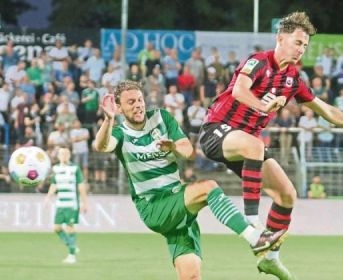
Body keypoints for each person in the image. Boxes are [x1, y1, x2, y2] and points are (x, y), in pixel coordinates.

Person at [199, 11, 343, 279]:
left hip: (246, 145)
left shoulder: (293, 80)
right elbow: (240, 91)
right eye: (297, 42)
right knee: (254, 143)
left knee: (287, 194)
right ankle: (254, 229)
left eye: (305, 46)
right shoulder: (258, 61)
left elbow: (328, 111)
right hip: (217, 131)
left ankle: (270, 258)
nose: (301, 49)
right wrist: (265, 105)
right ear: (280, 38)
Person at [94, 80, 286, 280]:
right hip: (154, 206)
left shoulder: (161, 117)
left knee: (191, 277)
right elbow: (101, 146)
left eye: (140, 100)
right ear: (119, 108)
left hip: (178, 206)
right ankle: (255, 238)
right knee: (209, 187)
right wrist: (108, 120)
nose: (138, 105)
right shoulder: (120, 133)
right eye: (131, 102)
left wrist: (173, 147)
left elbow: (188, 150)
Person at [44, 147, 88, 264]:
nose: (63, 155)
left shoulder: (75, 169)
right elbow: (54, 185)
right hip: (60, 204)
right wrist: (48, 198)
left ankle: (71, 256)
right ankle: (72, 246)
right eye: (61, 154)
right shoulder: (56, 169)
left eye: (66, 153)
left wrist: (84, 203)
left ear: (69, 156)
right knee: (56, 228)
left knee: (69, 228)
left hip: (72, 204)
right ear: (58, 156)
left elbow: (81, 186)